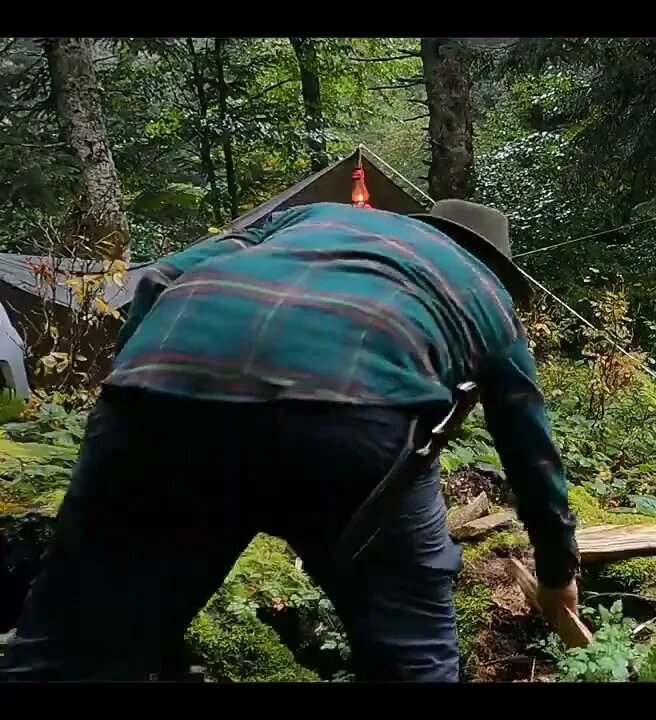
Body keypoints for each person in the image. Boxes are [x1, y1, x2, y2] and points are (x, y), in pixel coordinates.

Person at [0, 200, 580, 682]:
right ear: (494, 264)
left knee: (66, 654)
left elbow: (156, 278)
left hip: (156, 395)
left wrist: (136, 395)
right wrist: (557, 576)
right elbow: (531, 452)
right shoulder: (488, 296)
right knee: (412, 657)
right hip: (353, 418)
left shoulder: (311, 217)